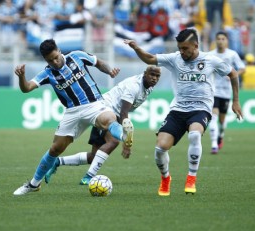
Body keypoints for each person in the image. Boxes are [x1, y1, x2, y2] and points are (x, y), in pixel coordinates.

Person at [124, 28, 242, 196]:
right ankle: (165, 178)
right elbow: (150, 58)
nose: (182, 51)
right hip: (178, 109)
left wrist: (235, 101)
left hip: (201, 108)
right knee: (160, 148)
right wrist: (137, 48)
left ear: (196, 45)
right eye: (180, 48)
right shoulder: (175, 59)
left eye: (185, 48)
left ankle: (191, 178)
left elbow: (233, 73)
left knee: (194, 135)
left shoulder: (210, 60)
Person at [13, 39, 134, 196]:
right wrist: (21, 77)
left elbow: (98, 62)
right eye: (50, 60)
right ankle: (33, 184)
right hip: (72, 112)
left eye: (56, 57)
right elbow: (27, 88)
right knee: (55, 149)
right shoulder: (47, 73)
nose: (55, 62)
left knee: (109, 119)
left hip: (94, 104)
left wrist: (110, 71)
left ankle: (125, 134)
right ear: (45, 60)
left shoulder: (77, 56)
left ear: (59, 50)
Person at [44, 65, 161, 185]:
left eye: (157, 76)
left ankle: (57, 162)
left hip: (110, 111)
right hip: (105, 111)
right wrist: (126, 141)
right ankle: (89, 177)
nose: (154, 78)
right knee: (113, 142)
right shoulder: (134, 86)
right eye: (152, 74)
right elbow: (123, 113)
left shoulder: (149, 87)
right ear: (144, 73)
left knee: (93, 157)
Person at [208, 31, 245, 154]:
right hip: (213, 90)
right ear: (215, 40)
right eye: (218, 38)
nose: (220, 41)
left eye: (223, 39)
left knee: (222, 120)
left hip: (226, 91)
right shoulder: (210, 55)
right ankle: (214, 144)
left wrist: (233, 75)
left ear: (227, 40)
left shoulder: (232, 54)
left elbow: (242, 68)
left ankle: (221, 135)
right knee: (213, 116)